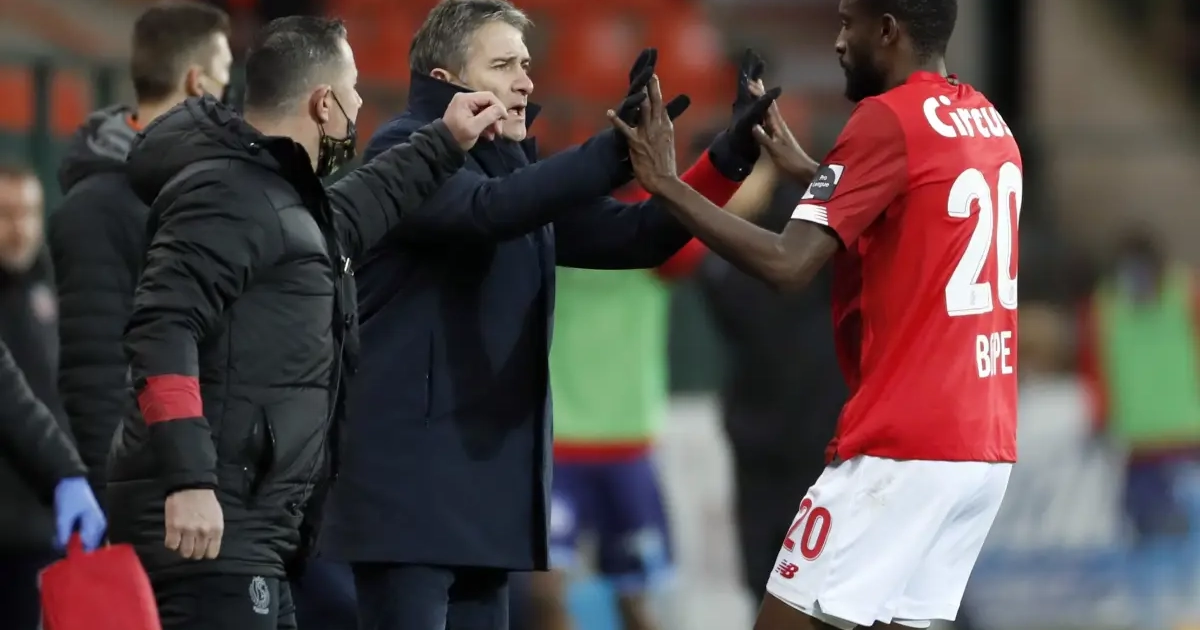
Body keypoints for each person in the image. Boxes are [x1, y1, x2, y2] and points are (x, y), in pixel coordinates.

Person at [318, 1, 774, 628]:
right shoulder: (405, 149)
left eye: (527, 65)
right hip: (410, 494)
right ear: (446, 79)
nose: (525, 82)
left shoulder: (515, 170)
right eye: (503, 65)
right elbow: (489, 210)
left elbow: (640, 236)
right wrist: (614, 153)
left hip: (484, 492)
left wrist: (728, 158)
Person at [608, 0, 1023, 626]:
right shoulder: (986, 119)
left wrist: (667, 184)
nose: (838, 41)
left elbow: (788, 264)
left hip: (900, 448)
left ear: (888, 30)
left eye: (849, 22)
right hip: (981, 447)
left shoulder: (887, 119)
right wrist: (816, 172)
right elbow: (909, 206)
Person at [104, 15, 508, 630]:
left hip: (249, 531)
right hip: (209, 529)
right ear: (323, 103)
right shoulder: (226, 192)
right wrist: (189, 480)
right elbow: (162, 328)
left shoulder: (277, 196)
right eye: (353, 89)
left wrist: (445, 140)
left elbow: (361, 206)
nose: (359, 104)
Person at [49, 0, 233, 507]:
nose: (230, 104)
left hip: (204, 480)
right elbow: (94, 371)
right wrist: (108, 501)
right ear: (197, 83)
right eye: (224, 83)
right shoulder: (99, 206)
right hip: (147, 491)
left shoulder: (207, 194)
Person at [695, 165, 846, 608]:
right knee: (764, 579)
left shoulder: (808, 217)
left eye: (740, 172)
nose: (730, 187)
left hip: (824, 434)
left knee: (829, 584)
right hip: (757, 435)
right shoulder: (715, 241)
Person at [0, 166, 106, 630]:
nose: (18, 227)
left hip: (40, 522)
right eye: (5, 214)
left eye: (27, 213)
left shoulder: (58, 291)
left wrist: (69, 475)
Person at [1078, 228, 1200, 627]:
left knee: (1188, 538)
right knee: (1147, 539)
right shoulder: (1105, 305)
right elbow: (1094, 367)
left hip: (1188, 441)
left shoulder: (1186, 294)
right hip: (1139, 446)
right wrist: (1100, 419)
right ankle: (1152, 616)